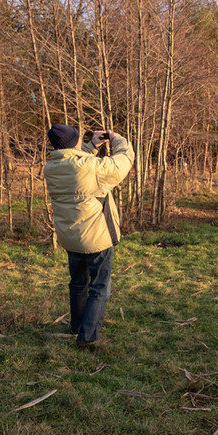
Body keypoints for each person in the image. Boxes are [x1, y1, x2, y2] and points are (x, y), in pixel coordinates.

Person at [43, 124, 134, 348]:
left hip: (70, 236)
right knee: (100, 287)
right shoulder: (90, 167)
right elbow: (123, 161)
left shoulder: (51, 167)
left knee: (78, 283)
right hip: (96, 237)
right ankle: (88, 337)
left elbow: (75, 161)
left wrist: (92, 146)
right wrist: (117, 139)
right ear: (73, 143)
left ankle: (77, 326)